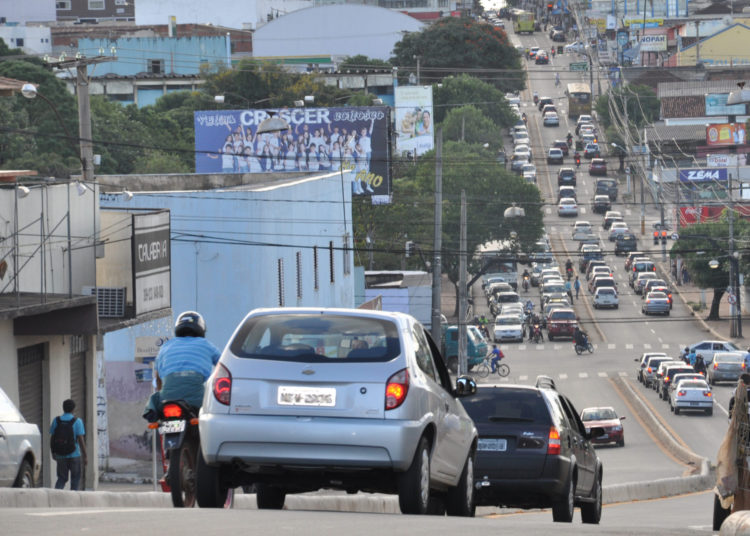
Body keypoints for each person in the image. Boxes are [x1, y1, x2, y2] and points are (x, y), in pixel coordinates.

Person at [143, 311, 221, 422]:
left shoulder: (166, 346)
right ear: (201, 328)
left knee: (155, 398)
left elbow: (158, 377)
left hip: (167, 397)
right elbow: (223, 365)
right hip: (196, 398)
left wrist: (163, 392)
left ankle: (152, 414)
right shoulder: (206, 344)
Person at [50, 399, 87, 490]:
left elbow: (52, 439)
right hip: (74, 455)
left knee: (61, 478)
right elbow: (81, 440)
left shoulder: (56, 420)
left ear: (63, 408)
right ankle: (73, 501)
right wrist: (85, 456)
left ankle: (56, 497)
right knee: (75, 479)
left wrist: (53, 452)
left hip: (60, 455)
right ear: (73, 409)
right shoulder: (77, 421)